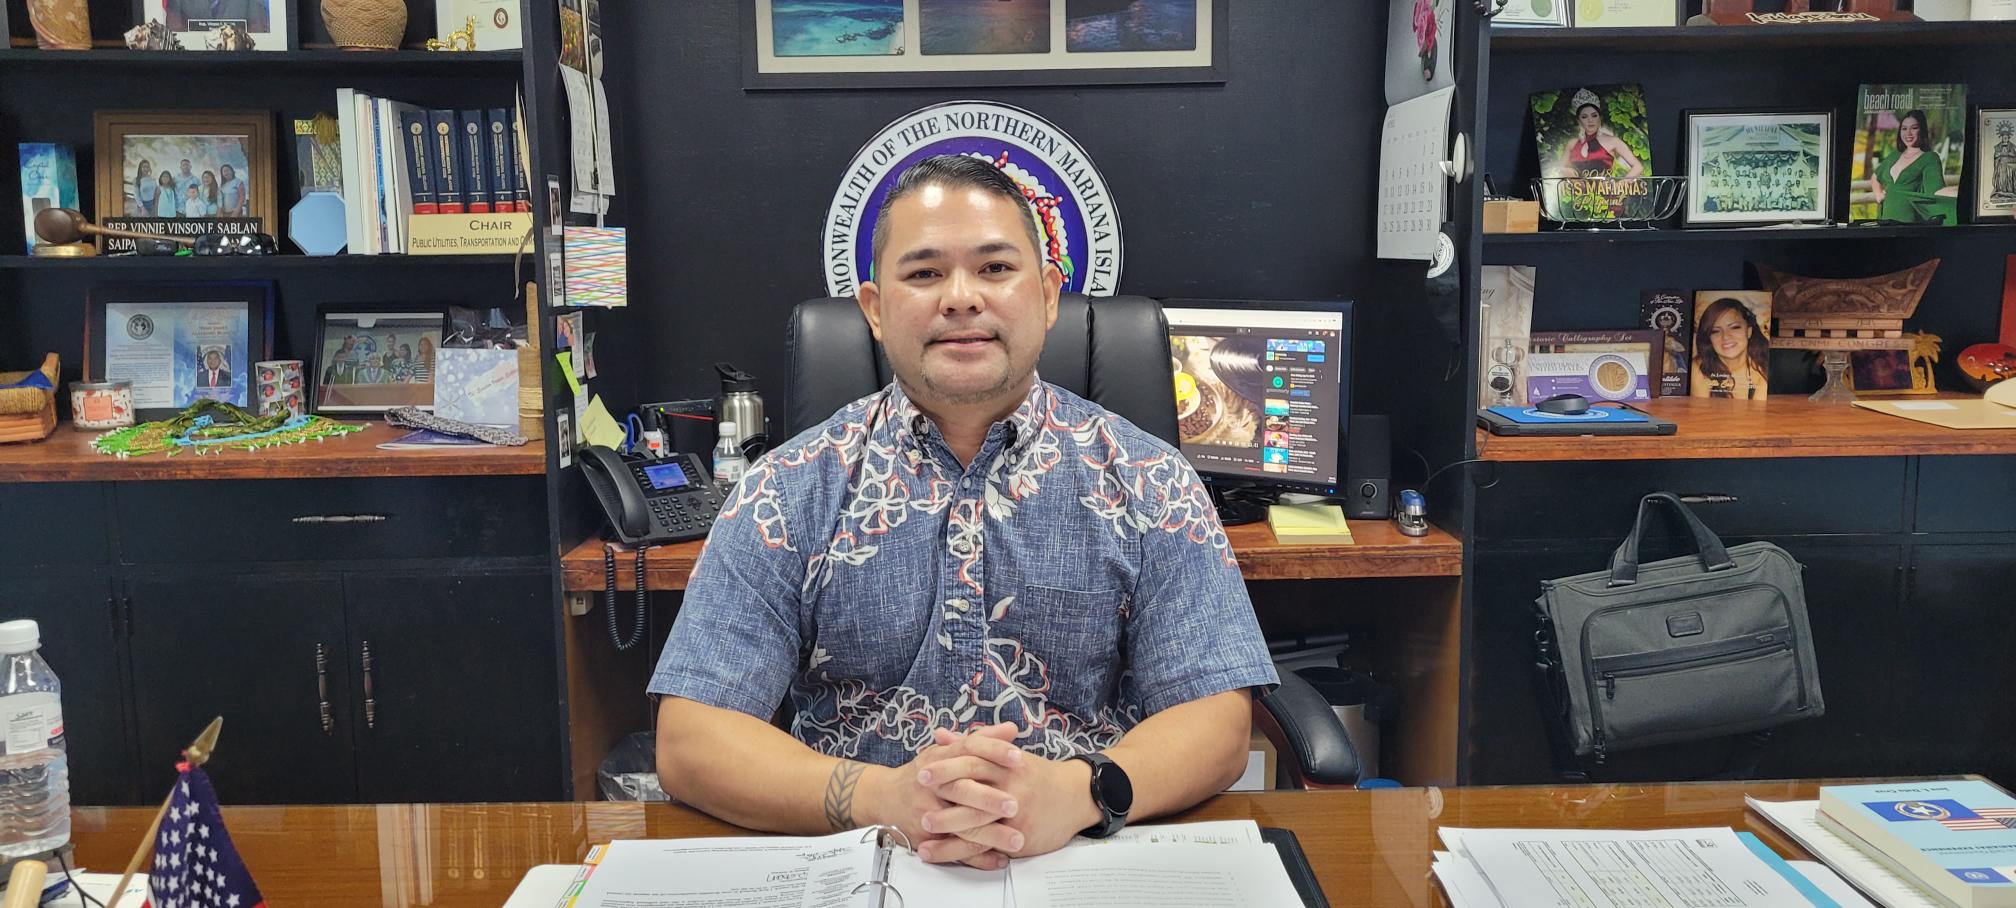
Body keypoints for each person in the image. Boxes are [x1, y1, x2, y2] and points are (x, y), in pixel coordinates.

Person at [649, 155, 1276, 869]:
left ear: (1046, 297)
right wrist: (883, 797)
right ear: (875, 310)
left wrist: (1074, 794)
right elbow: (691, 738)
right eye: (922, 274)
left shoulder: (1148, 479)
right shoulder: (787, 490)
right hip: (864, 865)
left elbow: (1219, 721)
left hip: (1081, 860)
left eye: (994, 269)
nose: (960, 298)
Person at [1869, 109, 1950, 224]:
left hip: (1910, 225)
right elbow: (1875, 176)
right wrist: (1878, 194)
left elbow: (1936, 191)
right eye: (1904, 128)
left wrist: (1956, 192)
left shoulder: (1930, 158)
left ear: (1922, 130)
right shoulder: (1895, 155)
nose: (1908, 133)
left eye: (1914, 128)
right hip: (1885, 222)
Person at [1690, 297, 1769, 400]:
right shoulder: (1700, 368)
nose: (1726, 336)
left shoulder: (1764, 369)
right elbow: (1699, 412)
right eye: (1715, 331)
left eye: (1734, 327)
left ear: (1749, 331)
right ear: (1709, 338)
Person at [1557, 87, 1644, 179]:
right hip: (1576, 192)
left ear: (1600, 118)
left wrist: (1619, 186)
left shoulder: (1612, 141)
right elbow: (1560, 169)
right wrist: (1567, 173)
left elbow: (1638, 167)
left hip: (1606, 192)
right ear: (1578, 121)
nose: (1590, 120)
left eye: (1594, 115)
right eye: (1584, 117)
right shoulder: (1572, 143)